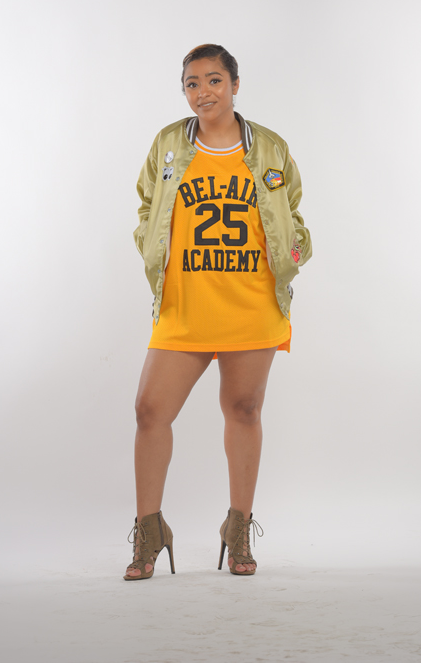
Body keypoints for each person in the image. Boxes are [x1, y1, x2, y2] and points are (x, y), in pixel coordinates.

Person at [124, 44, 311, 580]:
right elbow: (146, 205)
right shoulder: (168, 144)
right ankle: (150, 532)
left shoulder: (269, 147)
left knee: (244, 410)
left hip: (251, 304)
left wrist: (295, 253)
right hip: (184, 306)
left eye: (213, 80)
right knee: (150, 411)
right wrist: (152, 247)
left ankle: (238, 527)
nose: (202, 92)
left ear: (234, 84)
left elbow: (294, 214)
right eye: (192, 83)